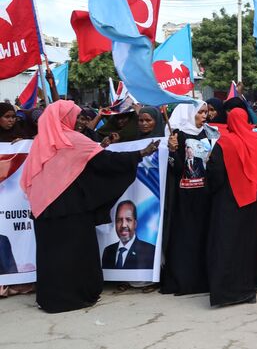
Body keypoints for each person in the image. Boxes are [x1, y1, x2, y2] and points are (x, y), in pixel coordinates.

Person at [24, 100, 158, 313]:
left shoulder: (42, 142)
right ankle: (75, 297)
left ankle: (51, 299)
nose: (79, 122)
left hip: (45, 211)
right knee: (76, 254)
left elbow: (34, 177)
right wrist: (139, 154)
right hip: (72, 210)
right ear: (63, 118)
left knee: (52, 256)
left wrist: (100, 147)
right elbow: (105, 162)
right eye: (75, 117)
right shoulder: (73, 140)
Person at [206, 108, 257, 307]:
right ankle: (252, 285)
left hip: (231, 200)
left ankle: (230, 292)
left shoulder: (225, 143)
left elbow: (215, 172)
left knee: (229, 244)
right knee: (253, 242)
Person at [160, 100, 218, 296]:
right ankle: (183, 280)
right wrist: (172, 150)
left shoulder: (209, 132)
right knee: (185, 237)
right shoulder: (178, 134)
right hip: (184, 196)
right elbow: (175, 168)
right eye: (200, 112)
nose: (205, 116)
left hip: (205, 194)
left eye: (206, 112)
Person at [101, 200, 156, 269]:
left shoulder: (150, 251)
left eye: (128, 220)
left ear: (135, 224)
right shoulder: (108, 251)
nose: (123, 225)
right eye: (119, 220)